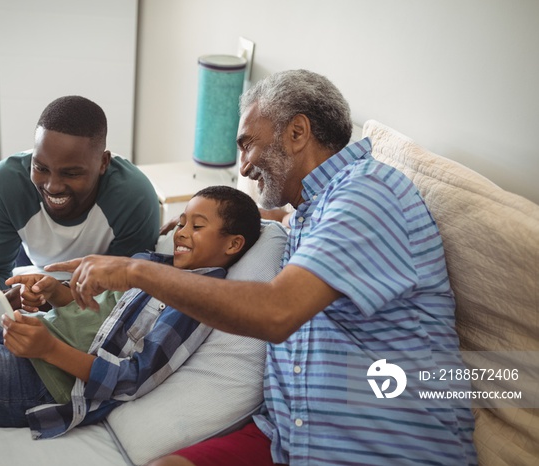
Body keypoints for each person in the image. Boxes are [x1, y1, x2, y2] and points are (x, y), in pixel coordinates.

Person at [45, 70, 478, 465]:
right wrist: (215, 220)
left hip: (380, 448)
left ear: (297, 132)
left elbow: (276, 312)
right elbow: (282, 221)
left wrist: (134, 272)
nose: (245, 166)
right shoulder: (312, 211)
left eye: (248, 144)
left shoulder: (367, 194)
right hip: (286, 439)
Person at [0, 186, 262, 440]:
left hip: (45, 380)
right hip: (32, 331)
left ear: (232, 244)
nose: (182, 232)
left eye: (198, 226)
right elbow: (92, 312)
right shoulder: (149, 264)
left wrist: (47, 350)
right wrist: (53, 293)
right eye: (182, 221)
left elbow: (130, 380)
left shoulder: (200, 304)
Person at [0, 95, 160, 322]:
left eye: (71, 173)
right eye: (40, 167)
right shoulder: (6, 182)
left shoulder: (133, 197)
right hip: (23, 251)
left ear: (103, 163)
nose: (52, 186)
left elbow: (124, 290)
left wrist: (55, 293)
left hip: (90, 270)